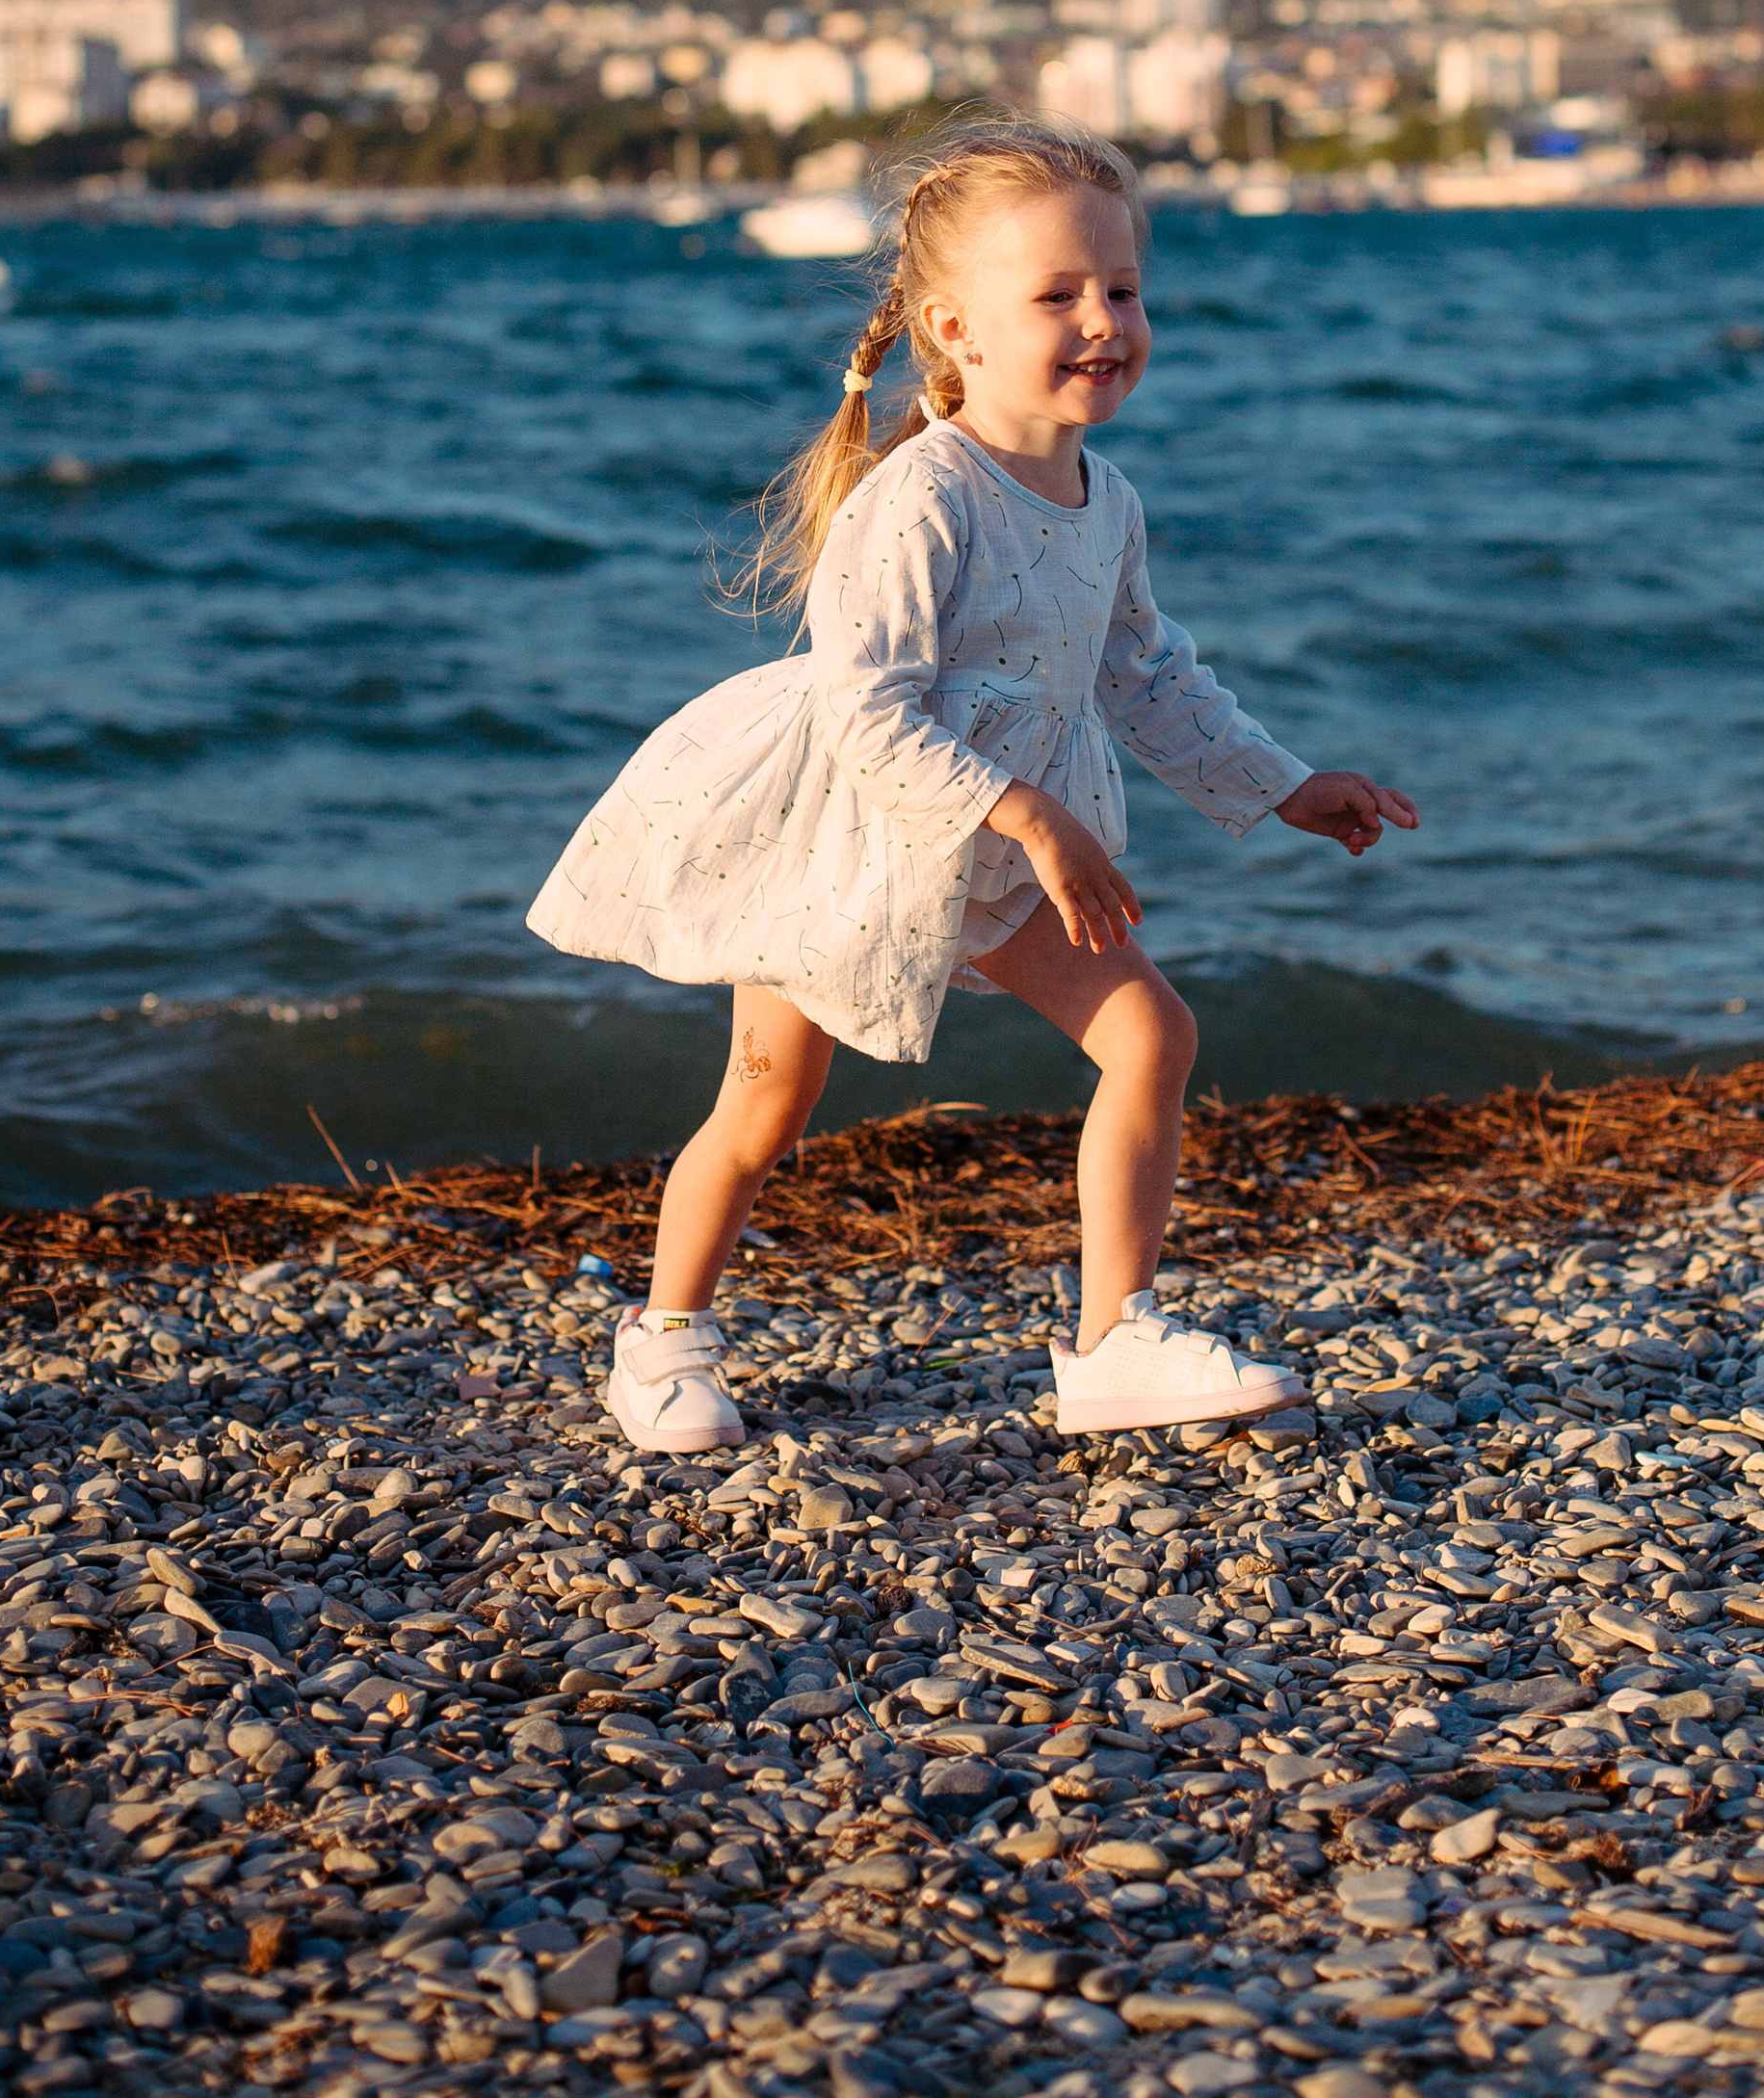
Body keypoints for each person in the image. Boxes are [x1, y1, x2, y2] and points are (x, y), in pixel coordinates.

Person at [528, 116, 1417, 1455]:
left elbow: (1148, 676)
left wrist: (1284, 785)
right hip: (848, 837)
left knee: (1152, 1037)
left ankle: (1114, 1343)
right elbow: (864, 707)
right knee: (767, 1100)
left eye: (1121, 289)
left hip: (1006, 858)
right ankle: (662, 1345)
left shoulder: (1103, 499)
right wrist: (1025, 808)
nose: (1103, 320)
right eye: (1057, 295)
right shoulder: (921, 500)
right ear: (955, 327)